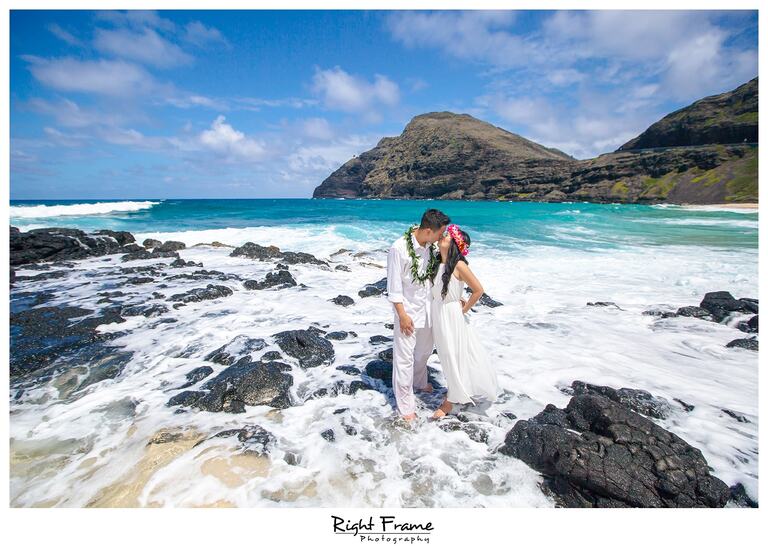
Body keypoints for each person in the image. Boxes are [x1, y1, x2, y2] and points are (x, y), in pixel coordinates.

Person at [386, 209, 450, 421]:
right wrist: (402, 315)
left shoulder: (431, 247)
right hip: (408, 312)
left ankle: (420, 382)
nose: (442, 236)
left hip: (428, 311)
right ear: (429, 230)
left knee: (423, 353)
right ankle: (405, 406)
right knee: (404, 359)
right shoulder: (399, 249)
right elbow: (394, 287)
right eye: (440, 233)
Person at [429, 224, 499, 419]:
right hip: (438, 311)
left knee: (453, 355)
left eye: (448, 236)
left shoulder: (459, 265)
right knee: (445, 355)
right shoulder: (436, 262)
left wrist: (464, 308)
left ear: (454, 245)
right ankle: (456, 389)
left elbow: (478, 290)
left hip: (451, 314)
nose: (443, 236)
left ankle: (450, 402)